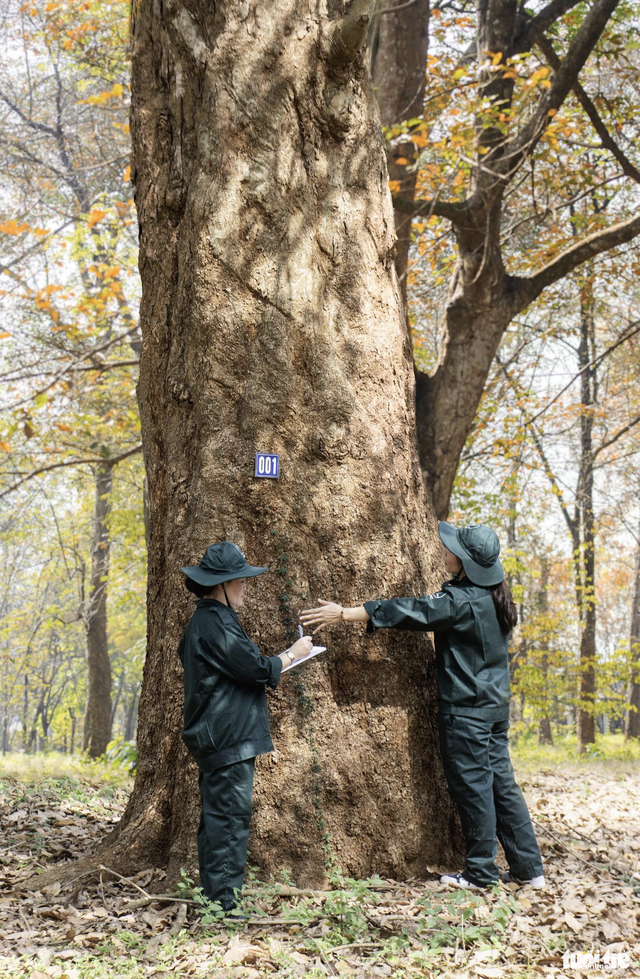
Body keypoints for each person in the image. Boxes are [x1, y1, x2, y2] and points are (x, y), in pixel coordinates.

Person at [299, 522, 545, 891]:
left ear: (465, 562)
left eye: (451, 550)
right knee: (501, 786)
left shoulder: (462, 601)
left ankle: (480, 874)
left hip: (468, 713)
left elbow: (411, 610)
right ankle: (529, 868)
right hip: (494, 709)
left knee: (474, 788)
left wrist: (346, 613)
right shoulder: (494, 596)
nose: (444, 552)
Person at [178, 541, 313, 912]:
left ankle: (215, 899)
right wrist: (293, 654)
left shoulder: (207, 621)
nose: (244, 588)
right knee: (229, 821)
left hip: (218, 736)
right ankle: (223, 907)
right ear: (219, 585)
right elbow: (254, 668)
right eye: (239, 581)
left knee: (218, 819)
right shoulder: (214, 623)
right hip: (227, 738)